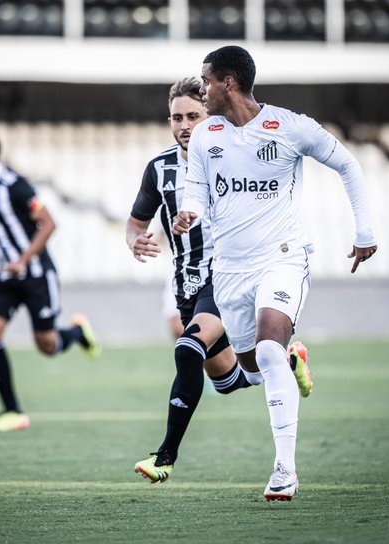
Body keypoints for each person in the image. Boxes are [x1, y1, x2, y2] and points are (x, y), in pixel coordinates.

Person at [173, 46, 378, 501]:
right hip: (229, 269)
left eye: (206, 81)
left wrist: (364, 230)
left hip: (282, 257)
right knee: (249, 366)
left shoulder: (289, 126)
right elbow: (197, 189)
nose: (201, 90)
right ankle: (290, 360)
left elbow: (346, 162)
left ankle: (284, 470)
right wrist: (188, 213)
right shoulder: (207, 136)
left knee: (265, 349)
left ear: (228, 82)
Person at [126, 77, 313, 484]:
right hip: (187, 284)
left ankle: (165, 456)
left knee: (187, 347)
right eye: (176, 117)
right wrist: (135, 241)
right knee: (228, 379)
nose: (184, 125)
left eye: (193, 115)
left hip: (229, 274)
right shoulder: (159, 169)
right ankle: (288, 359)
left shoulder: (233, 152)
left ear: (209, 113)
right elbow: (135, 221)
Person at [0, 128, 101, 432]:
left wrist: (24, 259)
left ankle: (77, 332)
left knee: (47, 345)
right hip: (3, 275)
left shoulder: (15, 185)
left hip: (36, 274)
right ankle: (12, 411)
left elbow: (49, 223)